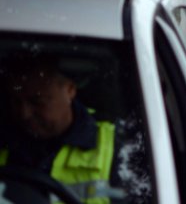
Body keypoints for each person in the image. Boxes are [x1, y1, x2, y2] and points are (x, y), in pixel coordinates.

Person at [0, 55, 149, 203]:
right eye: (16, 101)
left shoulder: (120, 146)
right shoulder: (4, 139)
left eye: (37, 102)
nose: (24, 113)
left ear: (70, 90)